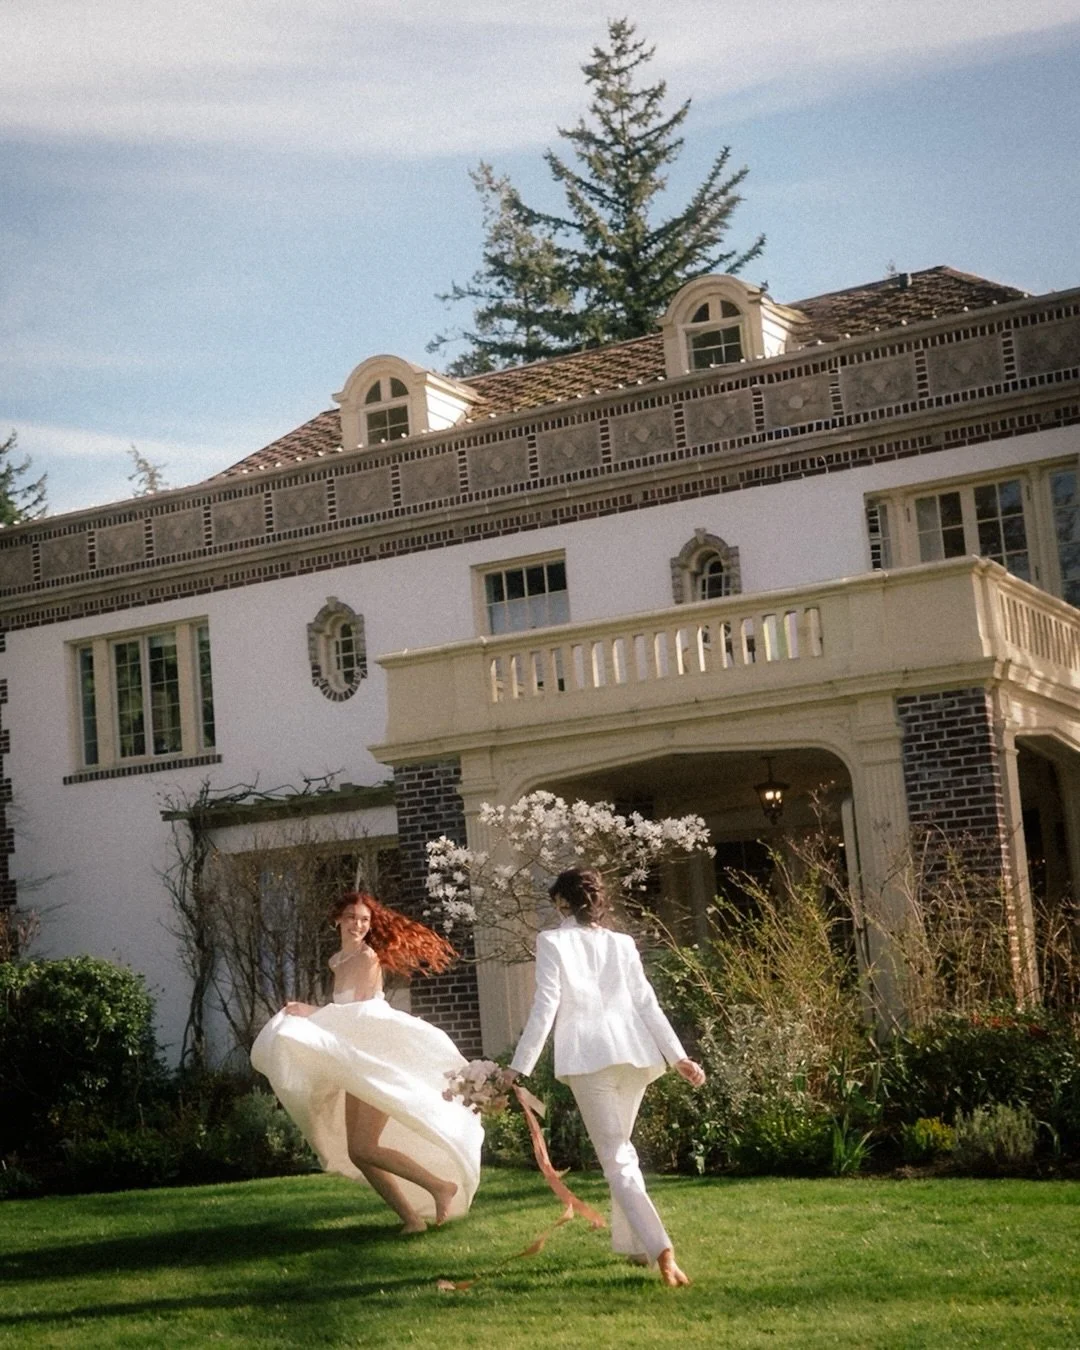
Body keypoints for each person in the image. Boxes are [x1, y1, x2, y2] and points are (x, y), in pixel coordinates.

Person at [504, 868, 706, 1287]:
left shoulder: (552, 941)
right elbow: (646, 1003)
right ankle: (633, 1245)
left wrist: (517, 1067)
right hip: (634, 1056)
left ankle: (660, 1247)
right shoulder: (622, 943)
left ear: (562, 903)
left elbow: (546, 1007)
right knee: (622, 1151)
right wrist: (678, 1056)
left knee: (617, 1158)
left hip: (589, 1059)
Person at [251, 891, 483, 1234]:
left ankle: (439, 1186)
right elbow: (344, 1018)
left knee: (363, 1147)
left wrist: (310, 1012)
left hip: (379, 1056)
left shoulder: (367, 958)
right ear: (338, 921)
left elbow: (358, 1014)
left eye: (364, 920)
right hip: (357, 1059)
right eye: (351, 918)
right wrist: (312, 1015)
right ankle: (413, 1219)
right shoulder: (337, 961)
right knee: (359, 1150)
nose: (358, 925)